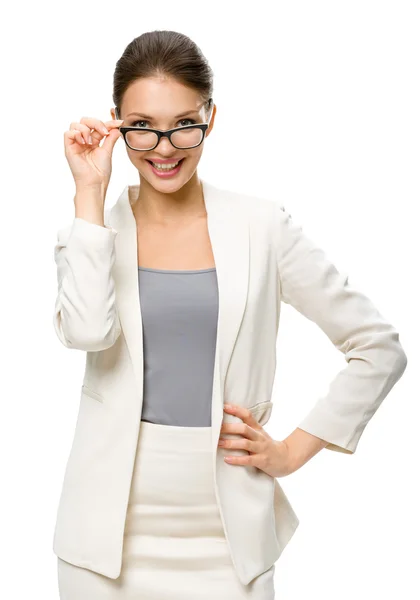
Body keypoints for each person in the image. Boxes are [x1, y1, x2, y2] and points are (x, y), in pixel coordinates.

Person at [53, 30, 408, 600]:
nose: (164, 148)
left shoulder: (262, 227)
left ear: (211, 118)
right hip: (104, 541)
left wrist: (292, 450)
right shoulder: (95, 231)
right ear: (115, 122)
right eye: (142, 126)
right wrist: (88, 193)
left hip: (227, 535)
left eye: (184, 124)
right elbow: (88, 331)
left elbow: (377, 347)